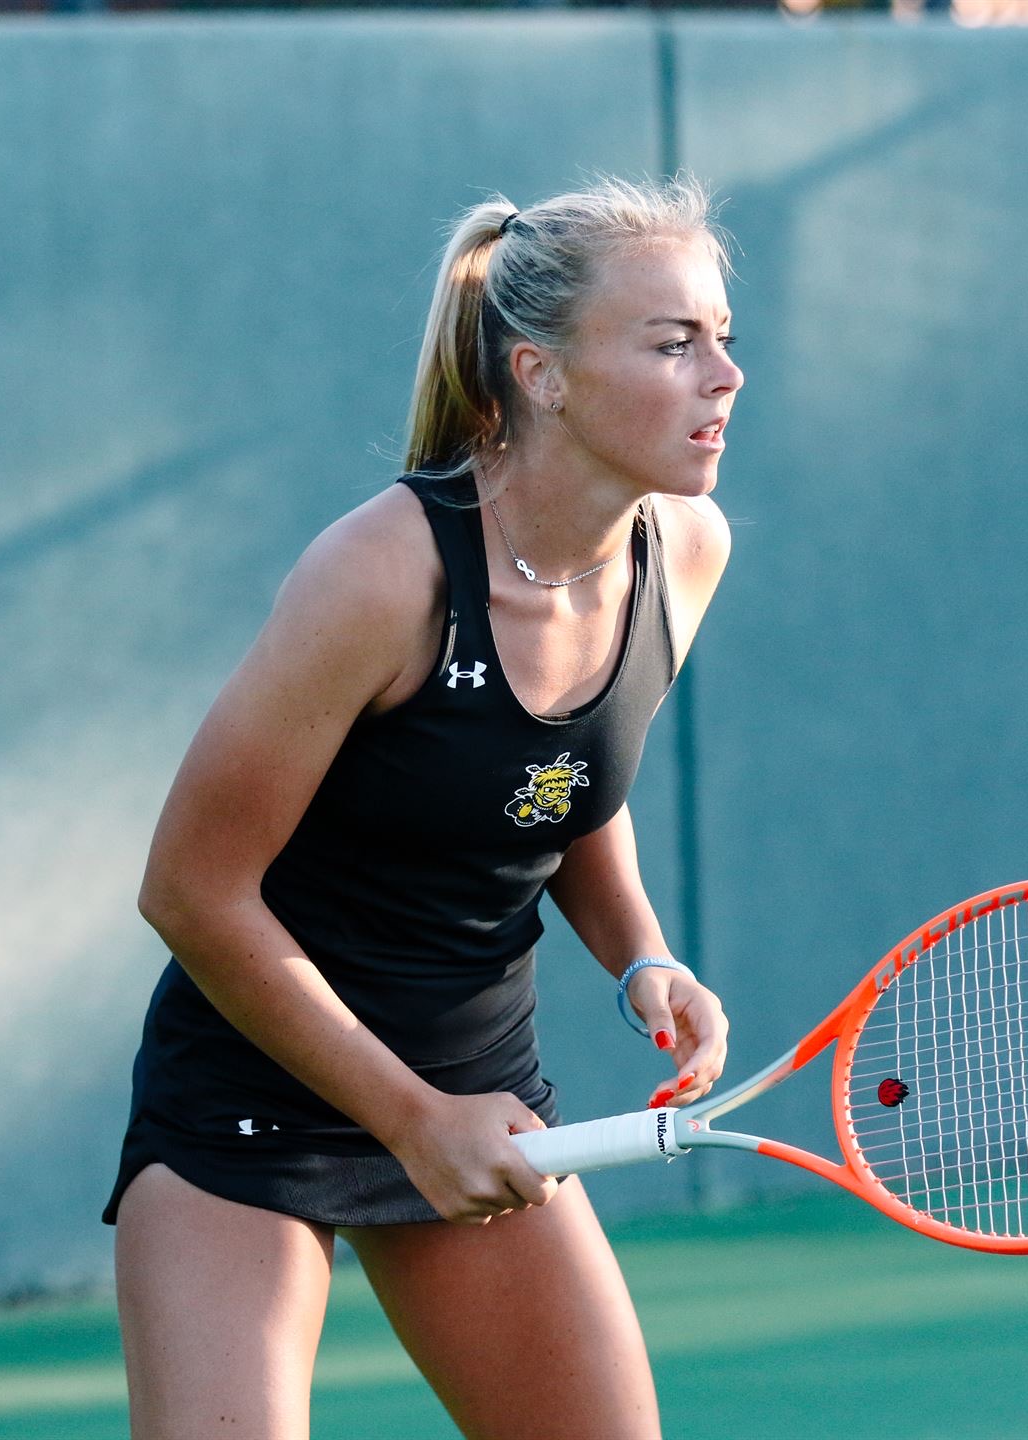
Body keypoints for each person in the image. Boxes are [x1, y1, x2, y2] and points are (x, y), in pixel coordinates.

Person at [107, 173, 744, 1440]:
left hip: (481, 1094)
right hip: (256, 1105)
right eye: (674, 343)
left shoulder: (683, 549)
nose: (723, 374)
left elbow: (550, 787)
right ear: (542, 374)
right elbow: (190, 889)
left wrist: (642, 958)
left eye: (725, 338)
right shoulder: (379, 575)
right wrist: (411, 1120)